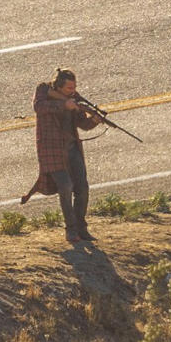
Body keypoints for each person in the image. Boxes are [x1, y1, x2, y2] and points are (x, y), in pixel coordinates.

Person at [21, 68, 103, 242]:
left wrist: (95, 120)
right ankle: (71, 229)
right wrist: (63, 105)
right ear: (58, 86)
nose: (72, 91)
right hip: (51, 150)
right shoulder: (43, 90)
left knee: (82, 188)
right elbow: (39, 107)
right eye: (68, 88)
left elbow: (83, 124)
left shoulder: (74, 98)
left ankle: (81, 227)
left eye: (74, 87)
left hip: (71, 148)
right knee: (65, 186)